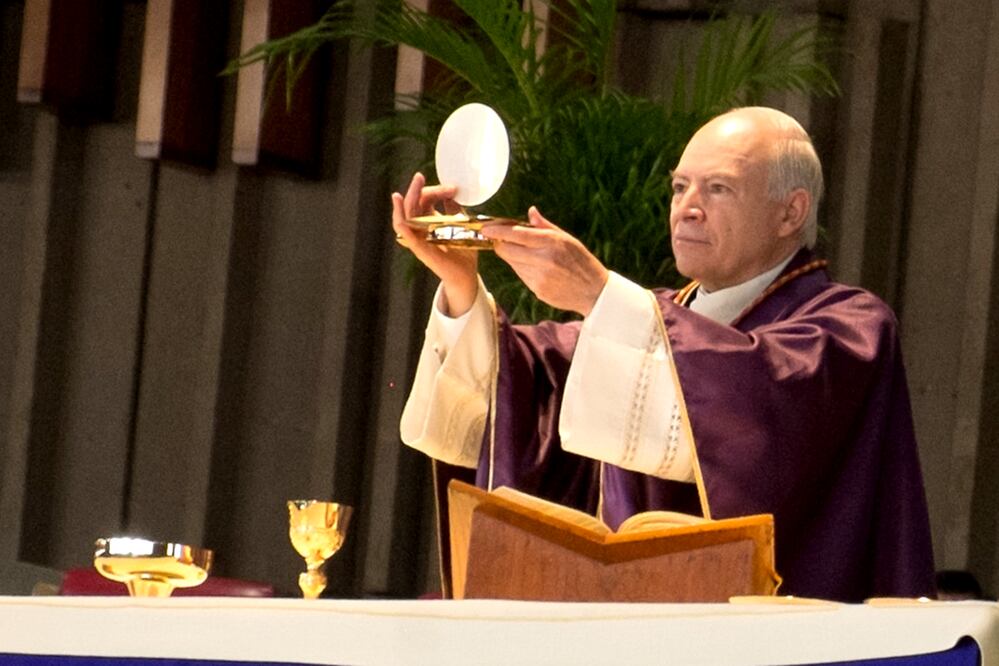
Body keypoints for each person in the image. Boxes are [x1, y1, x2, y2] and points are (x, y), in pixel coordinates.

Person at [392, 106, 935, 602]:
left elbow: (754, 409)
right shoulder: (646, 317)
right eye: (679, 188)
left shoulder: (850, 327)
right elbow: (522, 385)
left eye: (717, 189)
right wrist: (462, 285)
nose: (687, 209)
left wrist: (596, 294)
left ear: (791, 212)